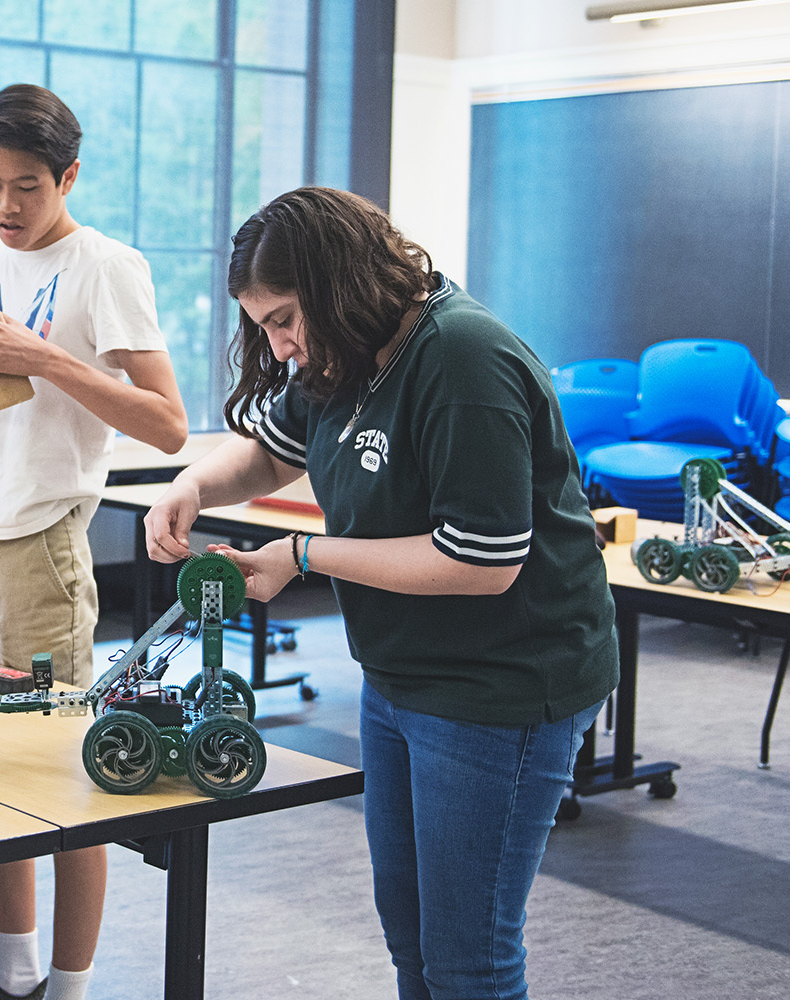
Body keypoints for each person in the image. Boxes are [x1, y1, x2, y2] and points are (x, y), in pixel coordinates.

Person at [145, 186, 617, 1000]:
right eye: (264, 327)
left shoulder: (466, 358)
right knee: (413, 941)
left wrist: (304, 552)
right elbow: (269, 454)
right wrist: (191, 483)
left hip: (501, 686)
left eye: (286, 319)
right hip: (402, 677)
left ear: (340, 285)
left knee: (470, 959)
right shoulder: (348, 351)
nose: (282, 346)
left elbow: (481, 559)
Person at [0, 83, 188, 1000]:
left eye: (26, 187)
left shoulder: (107, 266)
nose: (6, 207)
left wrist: (42, 357)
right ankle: (14, 975)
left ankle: (72, 986)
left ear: (69, 177)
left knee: (60, 772)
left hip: (41, 541)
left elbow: (170, 426)